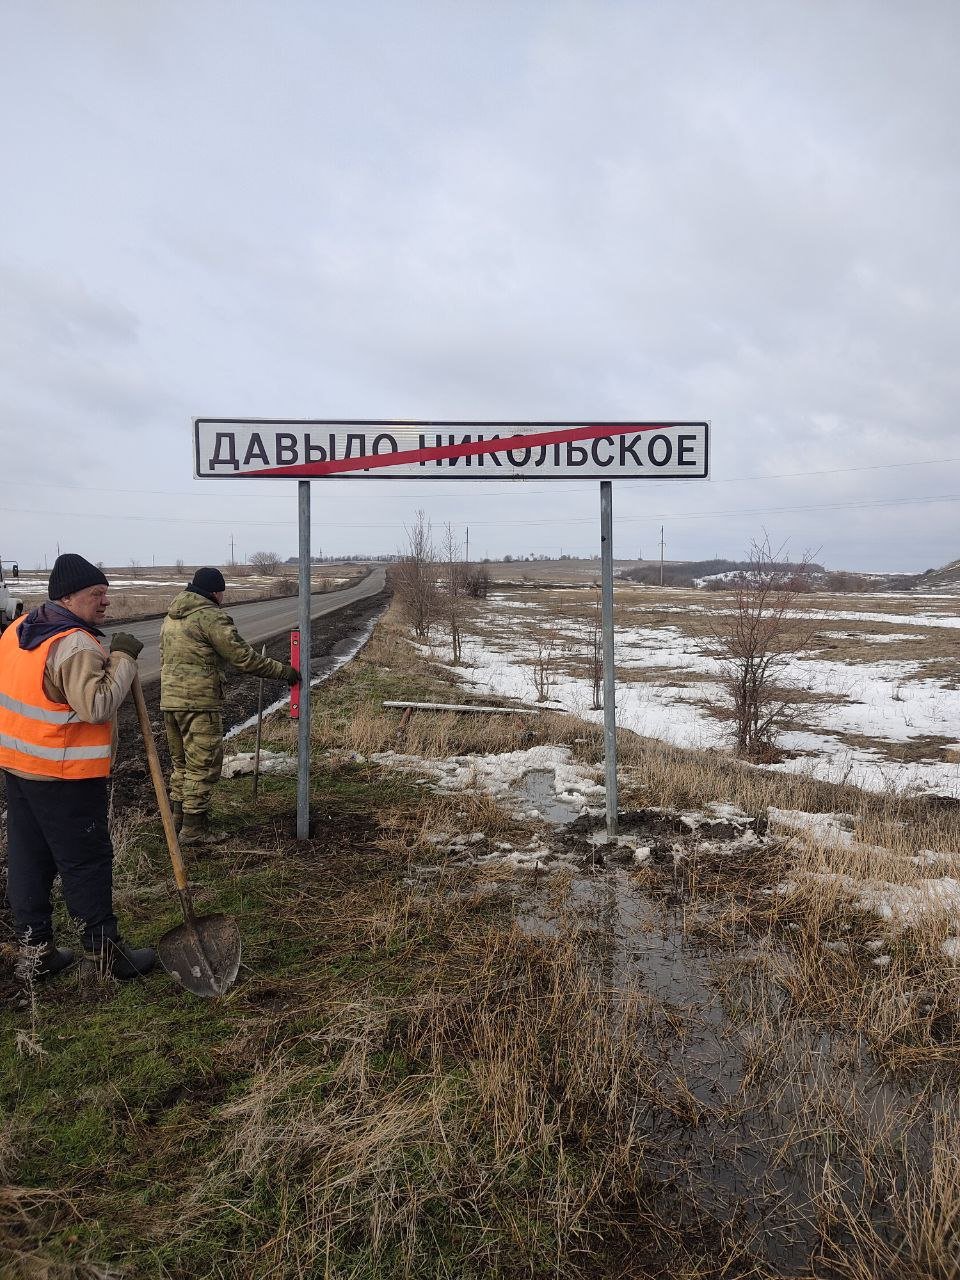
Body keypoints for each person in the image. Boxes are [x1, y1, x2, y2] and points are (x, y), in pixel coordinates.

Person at [0, 554, 156, 979]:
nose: (105, 602)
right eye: (96, 594)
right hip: (64, 773)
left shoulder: (18, 631)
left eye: (106, 592)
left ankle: (36, 953)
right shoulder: (74, 643)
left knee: (29, 859)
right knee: (86, 859)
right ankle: (105, 954)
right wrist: (122, 657)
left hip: (19, 768)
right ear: (68, 597)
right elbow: (97, 705)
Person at [159, 567, 300, 845]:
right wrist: (285, 672)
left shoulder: (171, 617)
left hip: (170, 701)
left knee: (181, 765)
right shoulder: (210, 616)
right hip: (200, 703)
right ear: (215, 592)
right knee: (203, 765)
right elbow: (243, 658)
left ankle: (176, 821)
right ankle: (194, 830)